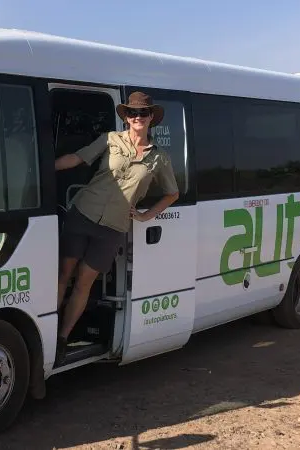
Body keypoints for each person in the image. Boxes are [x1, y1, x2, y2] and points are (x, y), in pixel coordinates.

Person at [53, 91, 180, 365]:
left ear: (151, 119)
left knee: (84, 284)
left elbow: (172, 193)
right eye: (132, 113)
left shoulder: (159, 158)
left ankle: (62, 338)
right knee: (63, 274)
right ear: (126, 117)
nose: (138, 117)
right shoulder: (110, 140)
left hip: (112, 228)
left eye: (143, 113)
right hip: (83, 213)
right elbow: (77, 158)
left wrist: (146, 216)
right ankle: (46, 333)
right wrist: (41, 170)